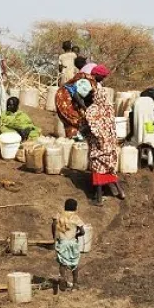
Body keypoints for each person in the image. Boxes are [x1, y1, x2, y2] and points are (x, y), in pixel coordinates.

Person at [82, 66, 124, 203]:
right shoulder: (109, 108)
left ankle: (99, 199)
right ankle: (121, 192)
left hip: (99, 144)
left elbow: (92, 128)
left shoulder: (92, 110)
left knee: (98, 169)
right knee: (110, 168)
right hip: (110, 144)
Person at [52, 199, 84, 291]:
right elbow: (82, 231)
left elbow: (53, 224)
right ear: (75, 207)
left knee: (62, 263)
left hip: (62, 242)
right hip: (72, 243)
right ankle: (75, 284)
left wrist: (54, 236)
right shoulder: (76, 218)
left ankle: (62, 278)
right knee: (75, 263)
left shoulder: (59, 216)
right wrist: (77, 235)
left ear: (65, 206)